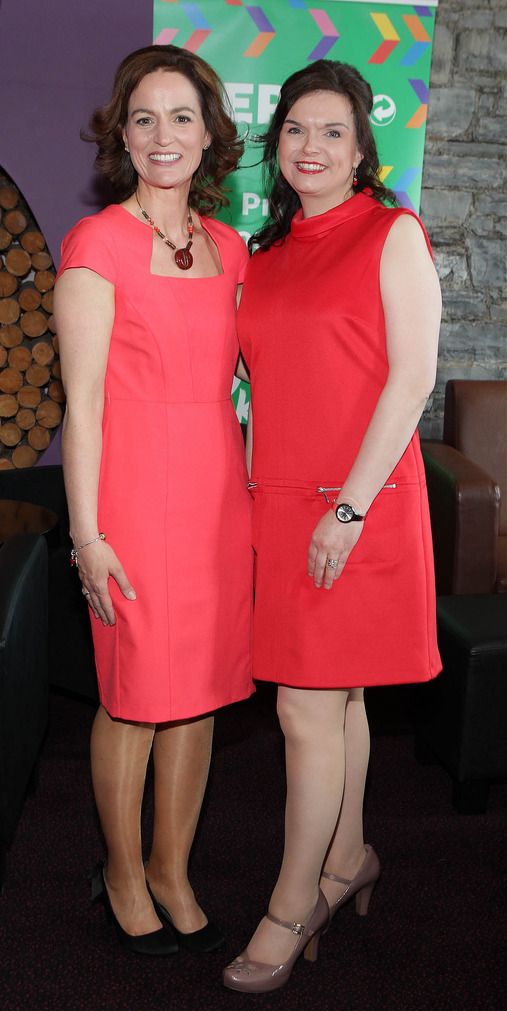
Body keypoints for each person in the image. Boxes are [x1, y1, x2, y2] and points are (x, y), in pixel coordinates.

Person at [223, 60, 442, 993]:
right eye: (296, 131)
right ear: (277, 147)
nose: (311, 148)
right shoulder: (263, 258)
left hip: (357, 507)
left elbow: (411, 381)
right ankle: (350, 857)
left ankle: (292, 901)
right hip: (276, 503)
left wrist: (346, 511)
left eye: (333, 132)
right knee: (337, 700)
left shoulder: (393, 233)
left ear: (362, 149)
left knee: (302, 710)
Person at [54, 44, 254, 956]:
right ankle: (123, 871)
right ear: (121, 136)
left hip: (217, 492)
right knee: (135, 691)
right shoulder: (96, 243)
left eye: (181, 116)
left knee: (200, 693)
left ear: (209, 132)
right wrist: (87, 536)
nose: (162, 135)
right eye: (143, 117)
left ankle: (173, 867)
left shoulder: (230, 247)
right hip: (129, 493)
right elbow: (82, 406)